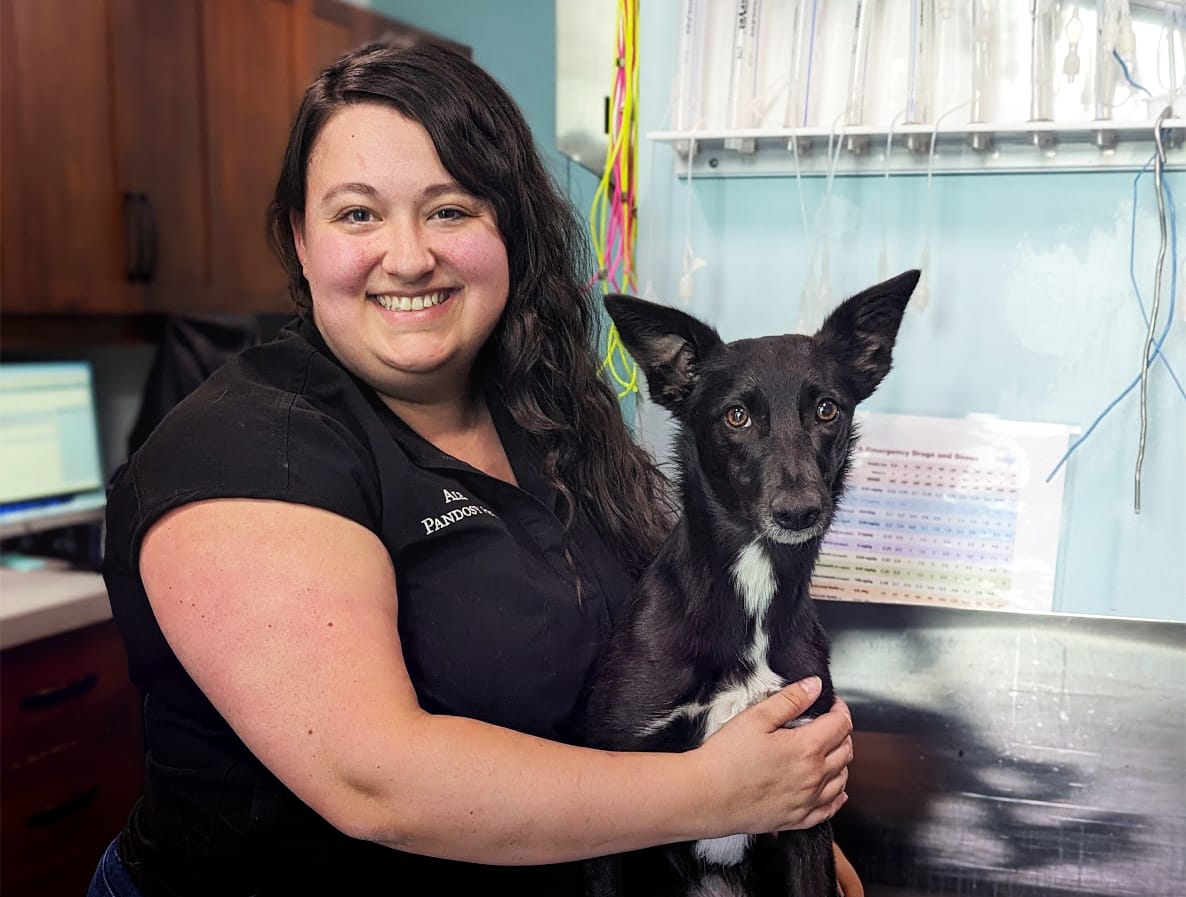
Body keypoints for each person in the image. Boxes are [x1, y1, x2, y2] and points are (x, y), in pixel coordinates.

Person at [88, 42, 859, 896]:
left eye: (450, 209)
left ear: (509, 233)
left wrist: (797, 832)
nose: (410, 255)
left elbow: (668, 667)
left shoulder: (548, 414)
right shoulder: (244, 449)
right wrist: (716, 796)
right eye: (356, 215)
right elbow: (374, 781)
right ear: (302, 244)